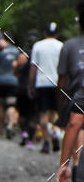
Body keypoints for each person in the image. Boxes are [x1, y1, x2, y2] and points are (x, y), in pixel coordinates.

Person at [57, 0, 84, 182]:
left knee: (79, 155)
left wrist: (62, 163)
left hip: (78, 106)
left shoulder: (70, 45)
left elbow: (62, 80)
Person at [29, 23, 62, 153]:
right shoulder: (61, 46)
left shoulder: (38, 45)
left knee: (43, 113)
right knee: (54, 112)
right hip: (56, 82)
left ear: (44, 32)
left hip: (42, 82)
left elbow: (33, 66)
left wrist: (30, 84)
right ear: (57, 33)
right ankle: (55, 132)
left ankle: (46, 142)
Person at [14, 32, 38, 148]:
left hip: (21, 88)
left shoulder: (22, 55)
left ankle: (24, 133)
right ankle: (30, 140)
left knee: (22, 113)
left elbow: (16, 71)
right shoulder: (38, 55)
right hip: (34, 88)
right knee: (33, 114)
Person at [0, 35, 20, 137]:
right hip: (12, 81)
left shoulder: (0, 52)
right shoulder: (17, 51)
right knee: (11, 105)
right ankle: (10, 125)